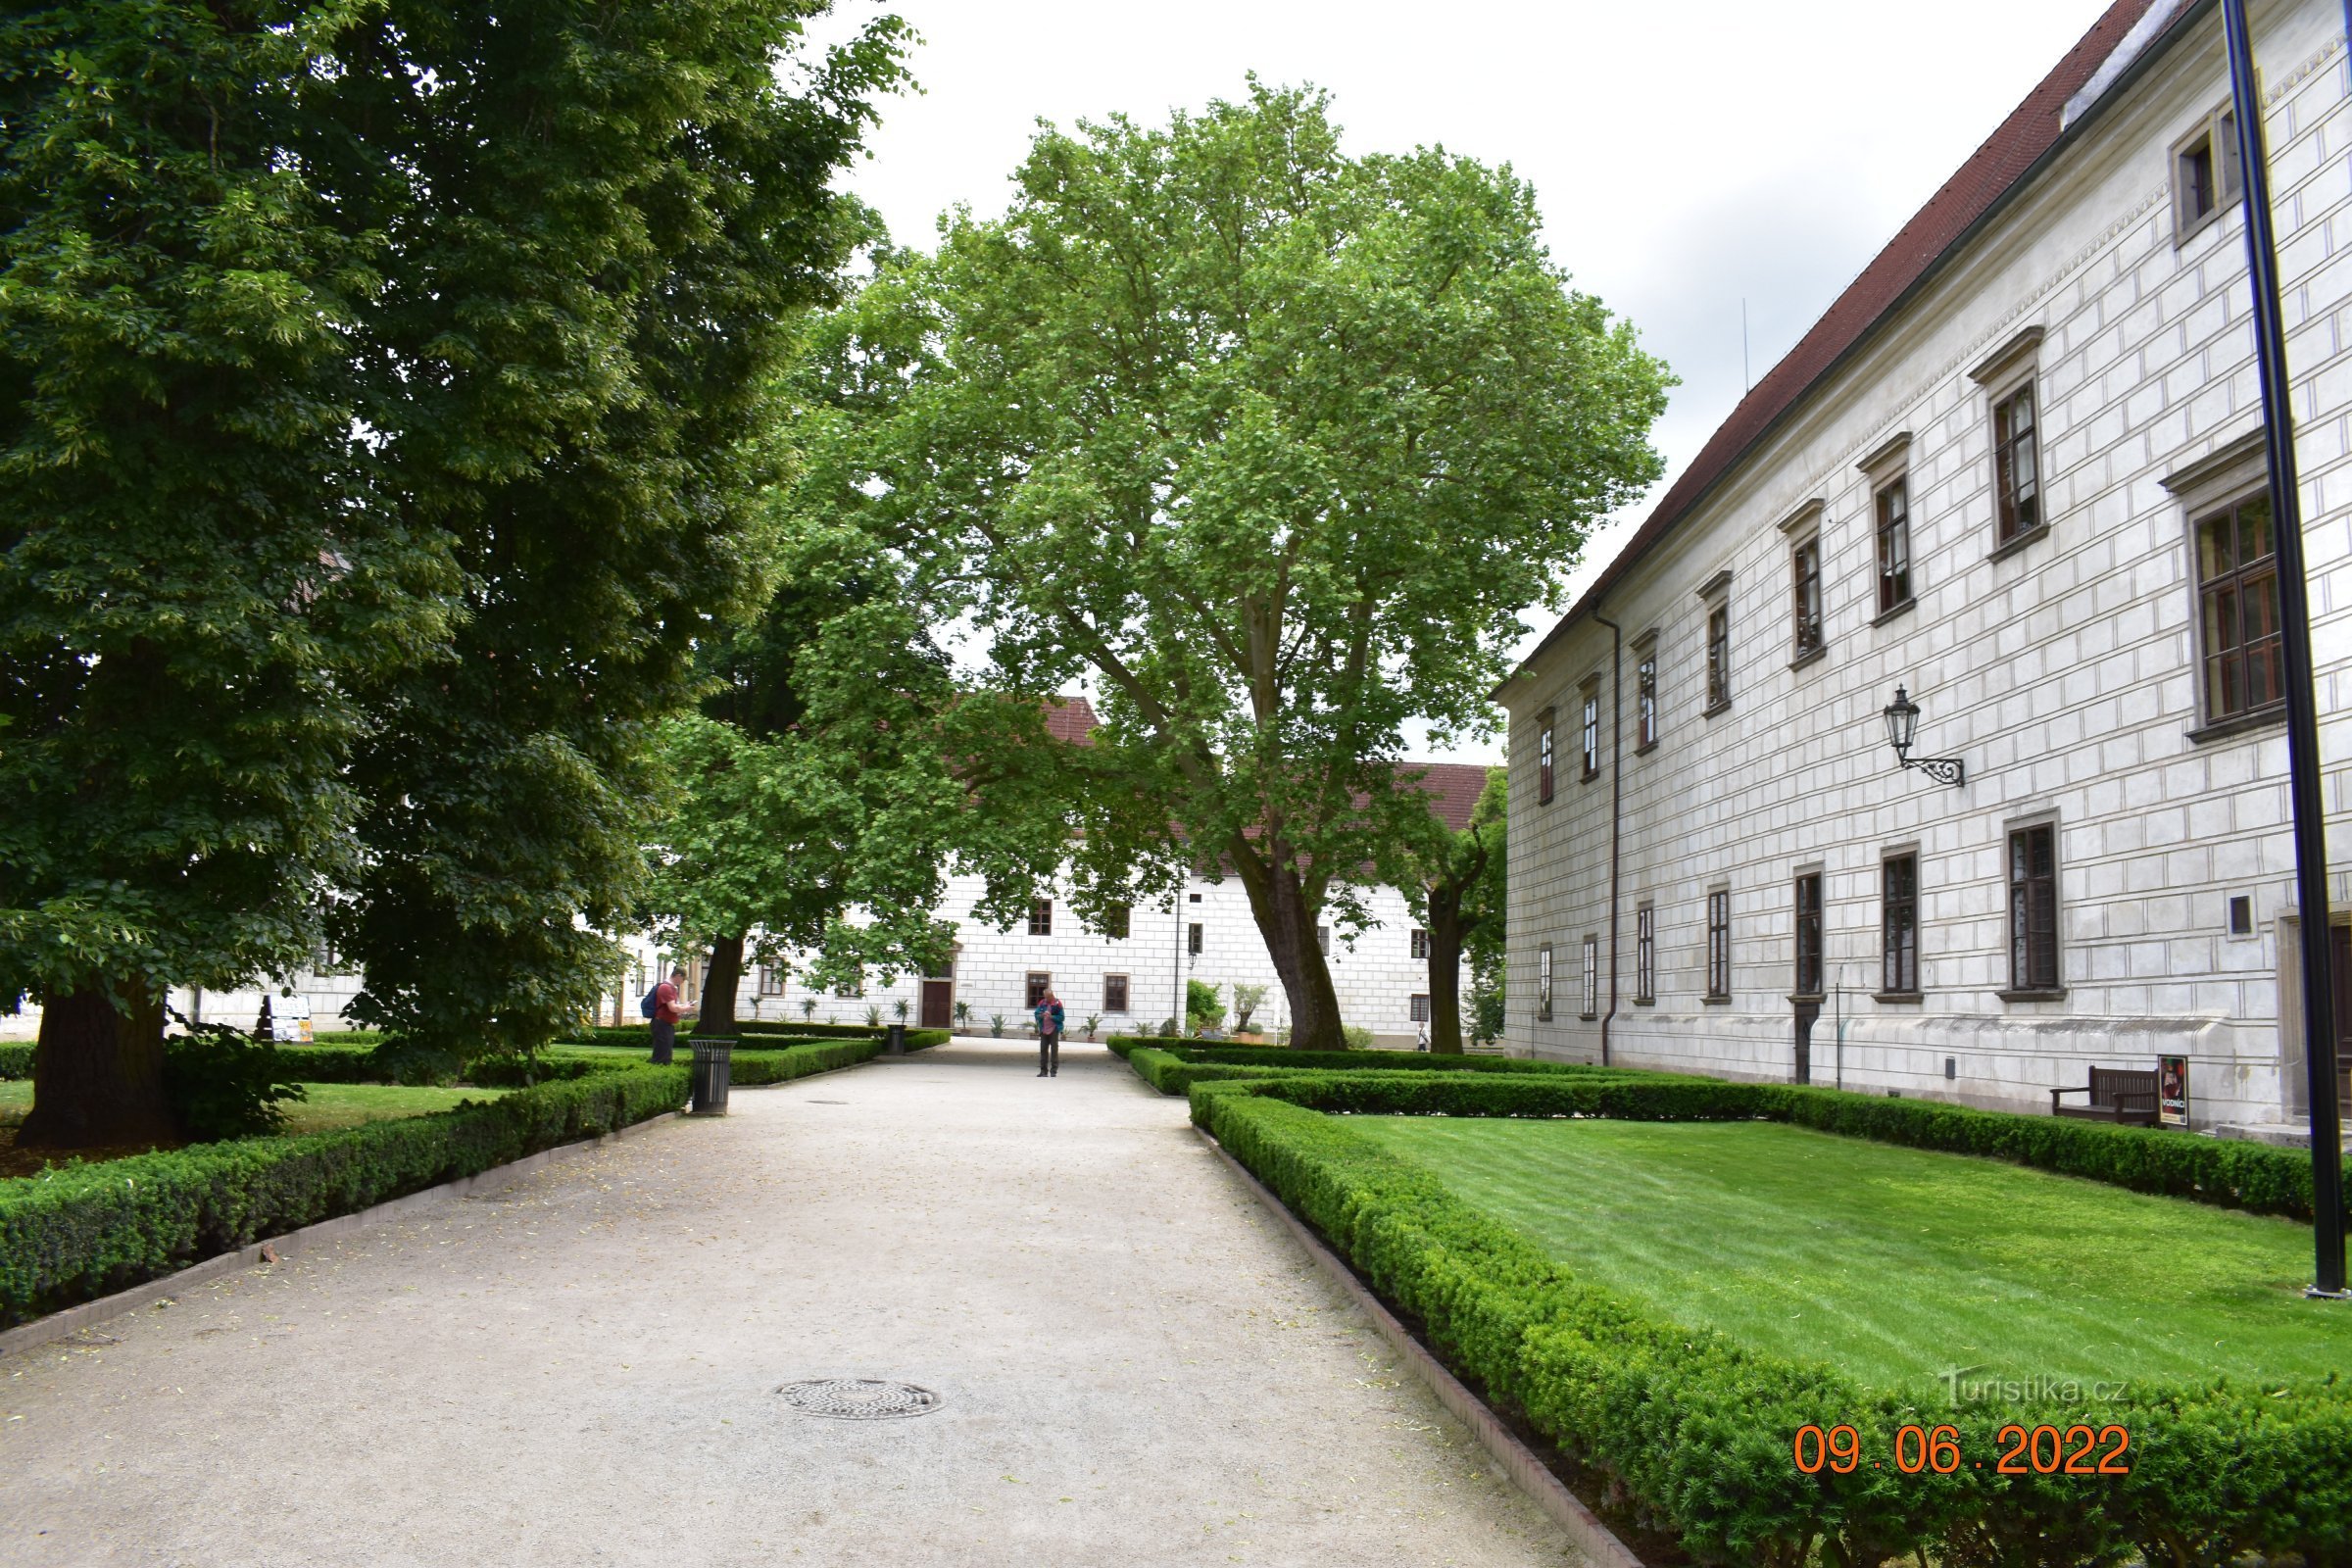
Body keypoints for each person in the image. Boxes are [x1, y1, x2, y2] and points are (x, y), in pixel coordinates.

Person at [651, 965, 686, 1065]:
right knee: (661, 1054)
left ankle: (663, 1069)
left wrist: (682, 1007)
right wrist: (686, 1008)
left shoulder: (671, 988)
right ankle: (658, 1072)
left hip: (666, 1024)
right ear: (678, 976)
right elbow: (673, 1008)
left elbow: (672, 1007)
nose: (682, 982)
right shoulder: (666, 987)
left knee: (666, 1052)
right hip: (661, 1024)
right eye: (683, 979)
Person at [1032, 988, 1065, 1077]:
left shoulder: (1058, 1004)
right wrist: (1041, 1015)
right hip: (1043, 1029)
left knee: (1054, 1050)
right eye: (1045, 997)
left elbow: (1062, 1017)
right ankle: (1043, 1071)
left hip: (1054, 1029)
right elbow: (1036, 1014)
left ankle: (1053, 1071)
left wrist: (1051, 1017)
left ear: (1052, 995)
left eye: (1048, 997)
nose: (1047, 999)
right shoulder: (1042, 1003)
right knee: (1043, 1050)